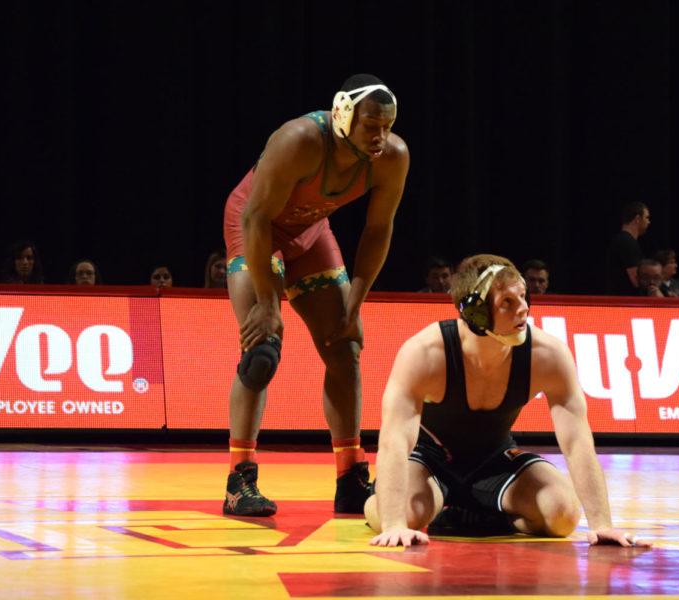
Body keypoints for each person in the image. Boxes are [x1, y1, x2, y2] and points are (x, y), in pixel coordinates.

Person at [366, 254, 650, 548]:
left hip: (495, 460)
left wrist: (602, 523)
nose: (524, 309)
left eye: (523, 297)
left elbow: (577, 439)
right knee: (408, 515)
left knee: (562, 516)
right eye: (507, 303)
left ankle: (484, 513)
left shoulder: (547, 354)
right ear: (476, 313)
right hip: (429, 461)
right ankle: (376, 500)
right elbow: (395, 439)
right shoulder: (425, 353)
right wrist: (394, 524)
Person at [221, 74, 409, 517]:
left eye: (387, 125)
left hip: (310, 232)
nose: (380, 136)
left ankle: (350, 478)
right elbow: (256, 219)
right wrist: (268, 302)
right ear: (344, 114)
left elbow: (378, 230)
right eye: (371, 126)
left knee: (345, 347)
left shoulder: (392, 156)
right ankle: (238, 480)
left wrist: (356, 301)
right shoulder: (299, 139)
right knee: (262, 351)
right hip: (254, 227)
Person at [605, 202, 650, 295]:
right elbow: (636, 280)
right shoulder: (627, 242)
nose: (649, 222)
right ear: (637, 219)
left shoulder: (624, 240)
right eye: (647, 218)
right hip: (624, 304)